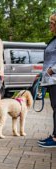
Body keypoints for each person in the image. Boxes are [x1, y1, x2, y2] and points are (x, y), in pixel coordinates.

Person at [38, 13, 56, 147]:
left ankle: (55, 138)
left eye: (52, 23)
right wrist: (42, 73)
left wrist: (52, 70)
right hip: (50, 79)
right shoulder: (54, 39)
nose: (50, 25)